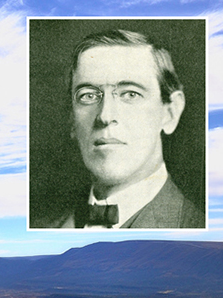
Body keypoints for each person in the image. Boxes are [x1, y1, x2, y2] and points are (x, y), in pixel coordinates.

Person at [33, 29, 204, 229]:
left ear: (170, 113)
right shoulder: (41, 230)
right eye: (88, 96)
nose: (105, 116)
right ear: (72, 118)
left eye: (130, 94)